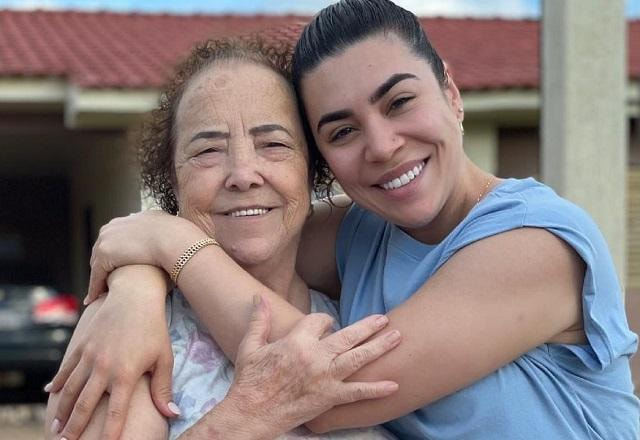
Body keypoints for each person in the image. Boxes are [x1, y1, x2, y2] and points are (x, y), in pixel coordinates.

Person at [48, 0, 640, 438]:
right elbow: (239, 237)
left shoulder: (536, 242)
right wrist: (133, 293)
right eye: (343, 130)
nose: (381, 146)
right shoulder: (358, 236)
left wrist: (163, 233)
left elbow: (330, 391)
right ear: (325, 157)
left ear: (452, 95)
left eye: (400, 101)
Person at [45, 38, 400, 440]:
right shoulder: (134, 326)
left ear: (313, 171)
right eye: (208, 150)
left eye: (273, 144)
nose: (243, 174)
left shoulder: (361, 309)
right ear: (172, 182)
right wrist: (246, 417)